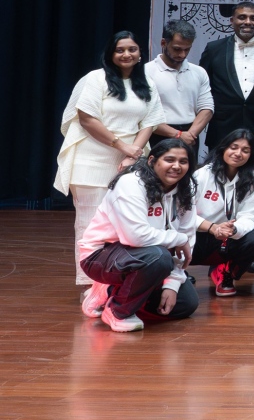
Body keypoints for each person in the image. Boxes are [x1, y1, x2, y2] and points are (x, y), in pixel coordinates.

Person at [57, 30, 166, 288]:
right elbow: (87, 119)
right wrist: (122, 146)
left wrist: (133, 153)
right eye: (120, 50)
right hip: (91, 161)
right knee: (90, 225)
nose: (126, 54)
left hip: (130, 162)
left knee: (126, 222)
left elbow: (150, 122)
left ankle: (115, 282)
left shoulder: (146, 83)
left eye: (132, 49)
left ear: (140, 54)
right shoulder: (96, 79)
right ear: (110, 54)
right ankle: (90, 285)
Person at [77, 137, 200, 331]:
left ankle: (111, 291)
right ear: (152, 161)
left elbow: (187, 236)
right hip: (101, 256)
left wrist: (172, 284)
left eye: (183, 162)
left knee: (185, 304)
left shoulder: (185, 190)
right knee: (158, 256)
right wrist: (179, 238)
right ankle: (118, 311)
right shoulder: (131, 183)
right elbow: (135, 236)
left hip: (148, 257)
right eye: (169, 160)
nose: (176, 166)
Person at [189, 127, 254, 296]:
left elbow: (250, 215)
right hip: (198, 234)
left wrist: (234, 229)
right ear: (223, 148)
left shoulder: (253, 178)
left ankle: (225, 272)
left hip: (228, 235)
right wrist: (212, 228)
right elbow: (184, 214)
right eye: (234, 147)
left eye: (245, 150)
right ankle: (175, 274)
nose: (238, 153)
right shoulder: (202, 174)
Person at [197, 1, 254, 150]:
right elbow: (204, 88)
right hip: (222, 128)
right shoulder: (213, 49)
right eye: (242, 17)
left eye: (253, 18)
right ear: (232, 20)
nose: (248, 22)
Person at [146, 19, 213, 163]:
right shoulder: (146, 72)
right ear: (163, 43)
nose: (182, 54)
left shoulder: (199, 72)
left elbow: (207, 108)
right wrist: (178, 135)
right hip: (157, 134)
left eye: (187, 49)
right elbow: (144, 114)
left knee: (188, 176)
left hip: (191, 134)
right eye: (177, 49)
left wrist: (190, 134)